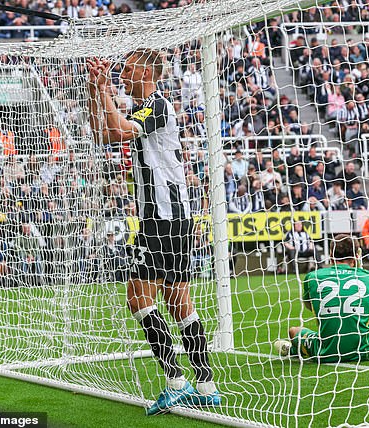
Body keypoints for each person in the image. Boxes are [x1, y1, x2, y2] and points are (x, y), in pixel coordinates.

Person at [87, 50, 219, 414]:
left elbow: (116, 129)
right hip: (174, 218)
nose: (123, 74)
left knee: (138, 298)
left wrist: (104, 89)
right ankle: (206, 385)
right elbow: (103, 132)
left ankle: (177, 381)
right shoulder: (147, 109)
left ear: (145, 71)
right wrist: (95, 90)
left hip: (161, 219)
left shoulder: (158, 105)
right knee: (179, 302)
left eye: (127, 68)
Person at [274, 234, 369, 363]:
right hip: (366, 351)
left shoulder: (313, 276)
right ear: (357, 255)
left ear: (330, 255)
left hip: (325, 352)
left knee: (293, 331)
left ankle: (293, 350)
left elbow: (310, 306)